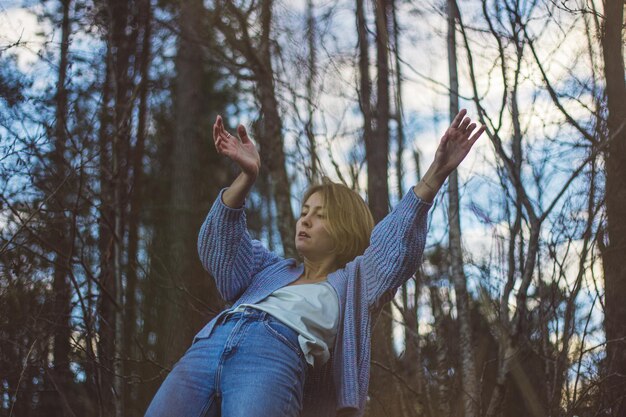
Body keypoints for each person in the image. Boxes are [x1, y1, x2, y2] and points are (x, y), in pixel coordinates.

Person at [144, 110, 485, 417]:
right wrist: (245, 178)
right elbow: (218, 248)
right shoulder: (270, 269)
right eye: (304, 212)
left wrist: (434, 176)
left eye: (319, 215)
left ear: (344, 229)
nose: (304, 221)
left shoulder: (356, 282)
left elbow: (394, 248)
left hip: (271, 354)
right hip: (209, 345)